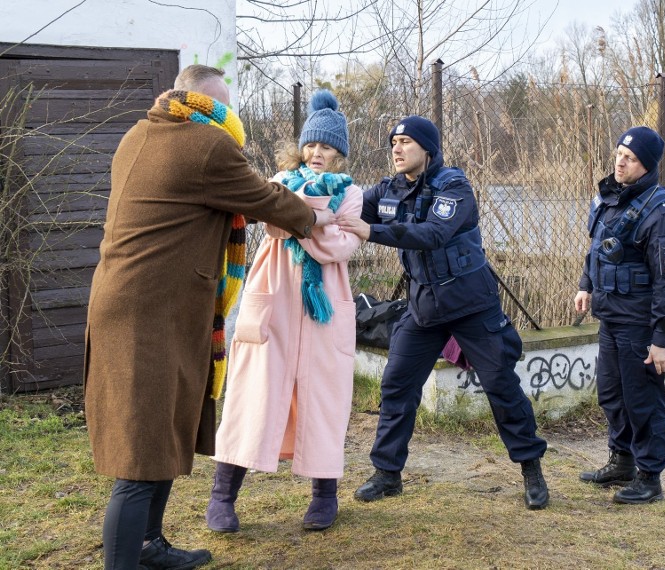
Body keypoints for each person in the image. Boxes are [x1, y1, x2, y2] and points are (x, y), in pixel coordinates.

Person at [84, 65, 334, 570]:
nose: (228, 115)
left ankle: (150, 545)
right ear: (199, 103)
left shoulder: (139, 133)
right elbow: (264, 198)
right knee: (139, 455)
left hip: (138, 306)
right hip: (148, 316)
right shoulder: (206, 145)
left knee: (161, 433)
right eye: (222, 105)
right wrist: (313, 217)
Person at [337, 116, 549, 510]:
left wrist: (370, 232)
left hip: (472, 306)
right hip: (424, 310)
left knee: (501, 384)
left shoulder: (453, 186)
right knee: (397, 384)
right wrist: (312, 193)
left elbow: (432, 234)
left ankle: (531, 468)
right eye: (394, 142)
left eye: (406, 142)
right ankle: (387, 473)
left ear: (427, 149)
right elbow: (344, 207)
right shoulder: (388, 190)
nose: (397, 149)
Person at [206, 90, 363, 533]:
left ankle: (324, 497)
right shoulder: (279, 180)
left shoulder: (352, 194)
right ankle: (222, 497)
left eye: (327, 147)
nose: (317, 153)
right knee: (252, 392)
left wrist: (305, 223)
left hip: (324, 306)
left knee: (325, 398)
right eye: (312, 145)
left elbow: (339, 246)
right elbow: (275, 224)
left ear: (339, 153)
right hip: (273, 295)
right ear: (302, 146)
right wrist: (320, 219)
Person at [573, 125, 665, 504]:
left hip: (639, 322)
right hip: (611, 317)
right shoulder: (611, 198)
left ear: (647, 165)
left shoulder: (661, 211)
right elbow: (596, 248)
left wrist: (662, 338)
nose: (621, 160)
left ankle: (650, 477)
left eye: (631, 157)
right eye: (619, 152)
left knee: (642, 400)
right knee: (611, 393)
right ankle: (621, 461)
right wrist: (586, 284)